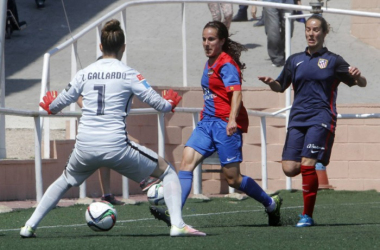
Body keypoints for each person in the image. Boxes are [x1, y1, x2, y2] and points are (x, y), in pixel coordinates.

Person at [20, 19, 206, 238]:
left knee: (64, 181)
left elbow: (54, 105)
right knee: (167, 172)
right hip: (116, 147)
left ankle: (29, 226)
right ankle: (178, 225)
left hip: (85, 147)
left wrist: (50, 103)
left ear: (100, 47)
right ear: (123, 48)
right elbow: (161, 105)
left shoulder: (84, 73)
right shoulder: (129, 73)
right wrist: (170, 101)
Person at [149, 21, 282, 228]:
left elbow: (236, 93)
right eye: (203, 39)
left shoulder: (226, 63)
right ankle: (173, 213)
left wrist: (231, 119)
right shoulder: (210, 62)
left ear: (221, 41)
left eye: (211, 39)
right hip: (207, 123)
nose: (206, 43)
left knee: (233, 179)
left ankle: (271, 203)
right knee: (186, 164)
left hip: (224, 124)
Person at [258, 14, 367, 227]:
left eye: (316, 29)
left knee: (308, 163)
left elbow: (360, 83)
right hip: (298, 117)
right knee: (289, 168)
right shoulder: (295, 60)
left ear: (324, 33)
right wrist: (272, 83)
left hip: (321, 117)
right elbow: (281, 85)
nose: (311, 33)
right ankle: (314, 164)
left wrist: (358, 75)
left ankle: (307, 215)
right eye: (308, 29)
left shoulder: (334, 60)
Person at [262, 0, 301, 67]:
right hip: (269, 1)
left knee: (288, 30)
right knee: (273, 30)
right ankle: (276, 57)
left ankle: (281, 52)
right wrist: (254, 5)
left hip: (288, 1)